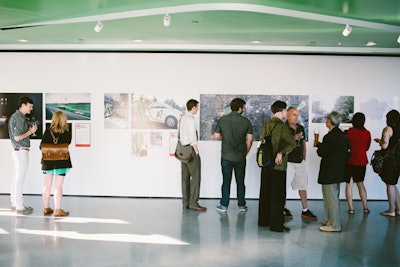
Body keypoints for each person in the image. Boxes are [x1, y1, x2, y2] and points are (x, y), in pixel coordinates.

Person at [258, 100, 296, 232]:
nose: (286, 113)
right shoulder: (282, 126)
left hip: (266, 163)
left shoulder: (266, 124)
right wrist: (280, 152)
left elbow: (262, 139)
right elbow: (291, 143)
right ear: (280, 111)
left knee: (265, 192)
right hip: (278, 166)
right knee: (277, 196)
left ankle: (263, 220)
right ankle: (276, 225)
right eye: (285, 110)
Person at [214, 98, 253, 213]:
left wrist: (225, 137)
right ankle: (242, 205)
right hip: (240, 157)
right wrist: (245, 152)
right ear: (240, 108)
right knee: (240, 182)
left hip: (226, 156)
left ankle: (224, 205)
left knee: (226, 181)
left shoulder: (223, 120)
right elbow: (250, 140)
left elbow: (216, 136)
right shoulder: (246, 122)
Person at [316, 111, 349, 232]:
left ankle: (334, 224)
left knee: (331, 198)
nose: (326, 121)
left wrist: (319, 146)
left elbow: (322, 152)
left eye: (327, 119)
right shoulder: (341, 135)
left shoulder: (329, 136)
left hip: (329, 172)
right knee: (332, 197)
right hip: (338, 171)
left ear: (330, 121)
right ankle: (331, 219)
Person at [284, 107, 317, 220]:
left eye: (297, 115)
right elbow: (281, 144)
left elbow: (303, 144)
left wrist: (304, 158)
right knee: (284, 187)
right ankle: (283, 209)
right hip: (288, 162)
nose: (296, 117)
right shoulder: (283, 128)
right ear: (287, 116)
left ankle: (305, 210)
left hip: (300, 161)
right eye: (294, 114)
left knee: (303, 186)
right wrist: (293, 138)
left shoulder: (301, 128)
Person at [8, 96, 38, 215]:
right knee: (20, 179)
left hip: (16, 150)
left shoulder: (15, 116)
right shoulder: (19, 118)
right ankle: (19, 206)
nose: (31, 109)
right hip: (21, 151)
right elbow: (17, 137)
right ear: (23, 105)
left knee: (16, 178)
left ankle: (15, 203)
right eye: (30, 106)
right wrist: (31, 131)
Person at [40, 111, 72, 217]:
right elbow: (68, 143)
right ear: (63, 119)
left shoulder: (47, 131)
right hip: (62, 161)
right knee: (58, 186)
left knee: (47, 185)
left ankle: (46, 208)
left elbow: (41, 147)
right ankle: (57, 210)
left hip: (48, 161)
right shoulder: (67, 132)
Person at [179, 99, 206, 211]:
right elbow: (192, 137)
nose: (198, 109)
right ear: (193, 107)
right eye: (197, 107)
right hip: (190, 150)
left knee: (185, 178)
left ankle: (186, 203)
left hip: (182, 150)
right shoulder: (190, 119)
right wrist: (197, 152)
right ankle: (194, 203)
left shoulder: (182, 118)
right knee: (195, 177)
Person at [374, 109, 400, 217]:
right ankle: (399, 209)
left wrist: (379, 141)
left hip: (390, 160)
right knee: (393, 184)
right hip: (399, 159)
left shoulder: (388, 129)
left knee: (390, 184)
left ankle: (391, 210)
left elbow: (385, 145)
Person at [344, 112, 371, 214]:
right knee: (361, 184)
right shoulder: (367, 133)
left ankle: (351, 209)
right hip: (362, 161)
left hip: (350, 161)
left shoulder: (349, 132)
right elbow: (367, 148)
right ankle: (365, 207)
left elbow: (346, 145)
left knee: (349, 185)